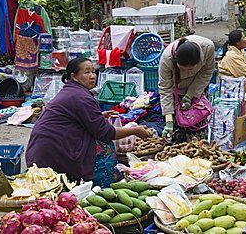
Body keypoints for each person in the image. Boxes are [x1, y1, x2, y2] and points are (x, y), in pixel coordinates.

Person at [25, 57, 152, 187]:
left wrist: (99, 116)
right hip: (51, 154)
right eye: (87, 72)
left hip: (43, 150)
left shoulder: (73, 91)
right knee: (105, 146)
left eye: (93, 72)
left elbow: (73, 118)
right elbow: (106, 133)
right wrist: (135, 131)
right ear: (74, 76)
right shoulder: (81, 96)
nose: (92, 76)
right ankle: (100, 185)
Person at [158, 35, 215, 142]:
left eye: (191, 69)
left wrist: (190, 95)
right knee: (176, 135)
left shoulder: (207, 48)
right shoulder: (167, 59)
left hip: (197, 88)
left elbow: (207, 72)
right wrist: (169, 120)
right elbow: (165, 88)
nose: (187, 72)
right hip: (176, 92)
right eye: (183, 69)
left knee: (197, 133)